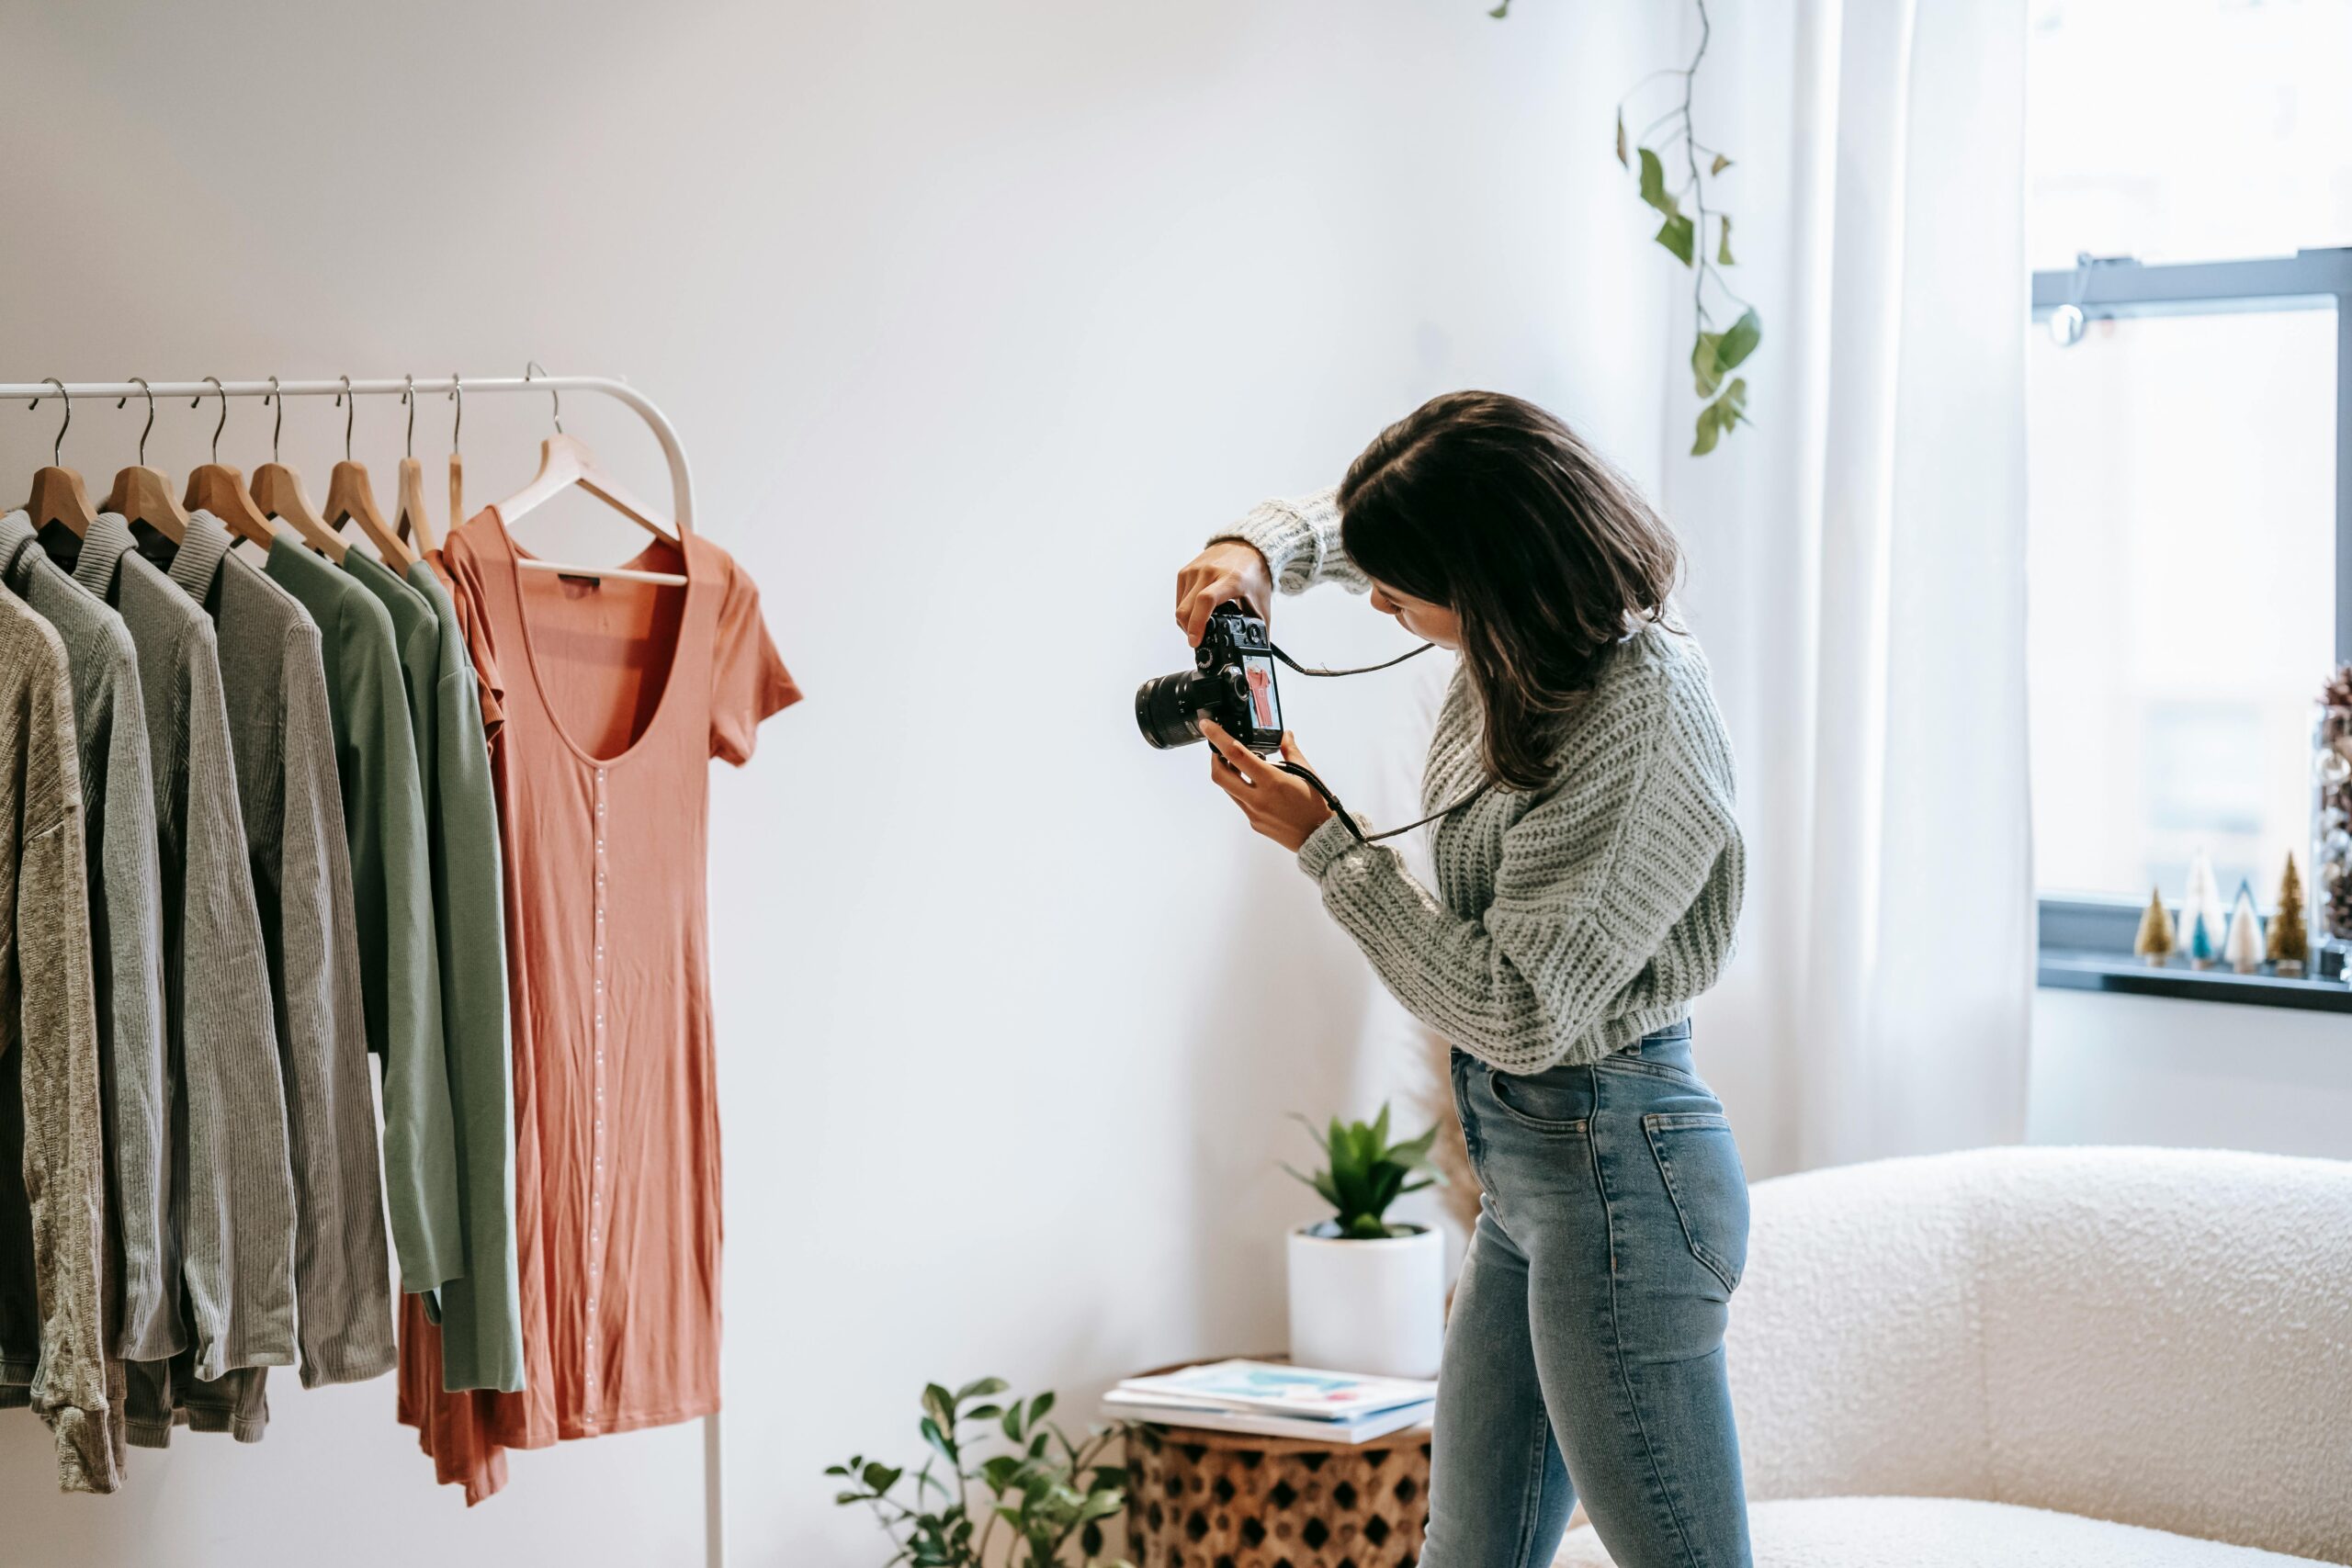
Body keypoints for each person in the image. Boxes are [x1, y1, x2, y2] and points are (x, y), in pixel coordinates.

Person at [1175, 390, 1752, 1568]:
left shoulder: (1638, 721)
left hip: (1615, 1181)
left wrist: (1323, 845)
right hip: (1534, 1176)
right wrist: (1250, 555)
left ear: (1490, 578)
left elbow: (1522, 1010)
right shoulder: (1552, 623)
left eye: (1401, 589)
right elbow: (1353, 528)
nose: (1378, 604)